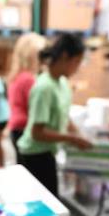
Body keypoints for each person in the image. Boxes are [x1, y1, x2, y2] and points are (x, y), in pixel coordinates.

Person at [17, 33, 93, 196]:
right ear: (65, 57)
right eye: (77, 62)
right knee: (47, 202)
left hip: (48, 151)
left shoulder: (63, 83)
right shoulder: (44, 88)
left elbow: (64, 115)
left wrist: (77, 132)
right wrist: (72, 139)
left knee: (51, 198)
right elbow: (37, 133)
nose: (78, 68)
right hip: (34, 154)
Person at [6, 33, 47, 157]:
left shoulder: (17, 76)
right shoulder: (28, 79)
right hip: (24, 129)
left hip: (16, 128)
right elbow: (36, 109)